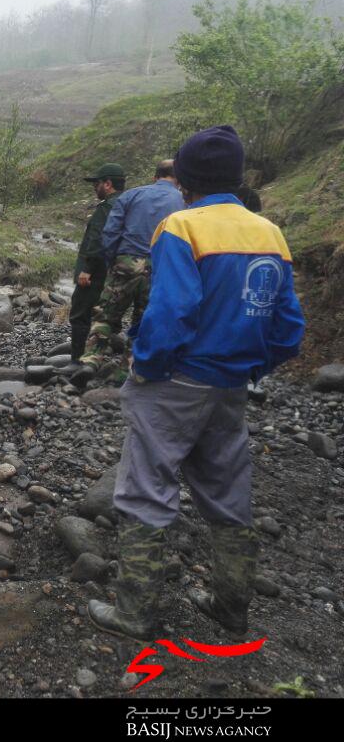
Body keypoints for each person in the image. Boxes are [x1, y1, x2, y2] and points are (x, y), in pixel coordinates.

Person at [88, 126, 304, 641]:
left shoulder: (181, 226)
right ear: (236, 175)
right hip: (231, 385)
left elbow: (171, 313)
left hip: (177, 380)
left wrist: (148, 366)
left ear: (182, 178)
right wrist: (251, 367)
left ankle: (135, 614)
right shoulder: (269, 232)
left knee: (147, 488)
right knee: (229, 492)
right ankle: (231, 609)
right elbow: (288, 328)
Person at [77, 160, 185, 385]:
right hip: (159, 266)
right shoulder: (183, 202)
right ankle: (125, 371)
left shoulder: (132, 196)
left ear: (155, 176)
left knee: (106, 314)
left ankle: (90, 361)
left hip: (126, 261)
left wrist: (114, 261)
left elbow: (110, 232)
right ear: (179, 179)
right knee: (144, 319)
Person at [69, 163, 126, 364]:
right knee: (106, 316)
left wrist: (86, 269)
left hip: (96, 272)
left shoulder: (106, 207)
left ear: (108, 184)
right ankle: (103, 357)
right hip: (116, 272)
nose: (95, 187)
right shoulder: (126, 204)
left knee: (80, 313)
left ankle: (77, 361)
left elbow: (97, 239)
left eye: (97, 183)